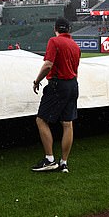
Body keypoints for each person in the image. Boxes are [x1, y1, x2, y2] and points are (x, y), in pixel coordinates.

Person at [32, 17, 81, 173]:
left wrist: (37, 80)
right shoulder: (75, 45)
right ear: (69, 30)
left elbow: (48, 65)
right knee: (68, 124)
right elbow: (76, 71)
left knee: (41, 120)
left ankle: (49, 160)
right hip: (73, 85)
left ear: (55, 29)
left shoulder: (54, 41)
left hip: (58, 84)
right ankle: (64, 162)